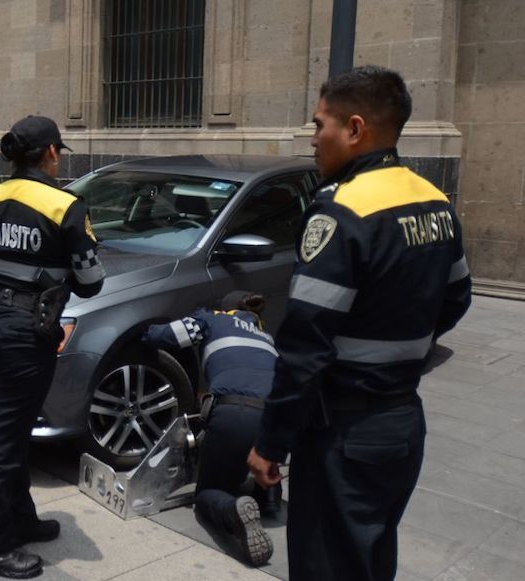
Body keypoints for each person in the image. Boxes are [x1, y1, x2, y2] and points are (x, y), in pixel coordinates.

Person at [246, 65, 472, 581]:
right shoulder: (434, 201)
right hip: (401, 424)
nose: (313, 139)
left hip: (342, 435)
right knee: (370, 559)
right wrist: (404, 344)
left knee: (327, 564)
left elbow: (305, 345)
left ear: (354, 129)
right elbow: (458, 296)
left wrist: (270, 443)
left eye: (319, 124)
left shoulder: (341, 212)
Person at [0, 115, 104, 579]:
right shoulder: (67, 206)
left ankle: (20, 518)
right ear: (52, 153)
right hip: (24, 334)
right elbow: (91, 283)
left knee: (10, 428)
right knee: (5, 439)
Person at [143, 291, 277, 567]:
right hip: (275, 419)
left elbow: (161, 336)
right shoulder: (268, 339)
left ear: (225, 309)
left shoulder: (211, 319)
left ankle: (231, 507)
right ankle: (267, 497)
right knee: (259, 460)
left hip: (234, 412)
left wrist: (141, 329)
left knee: (207, 494)